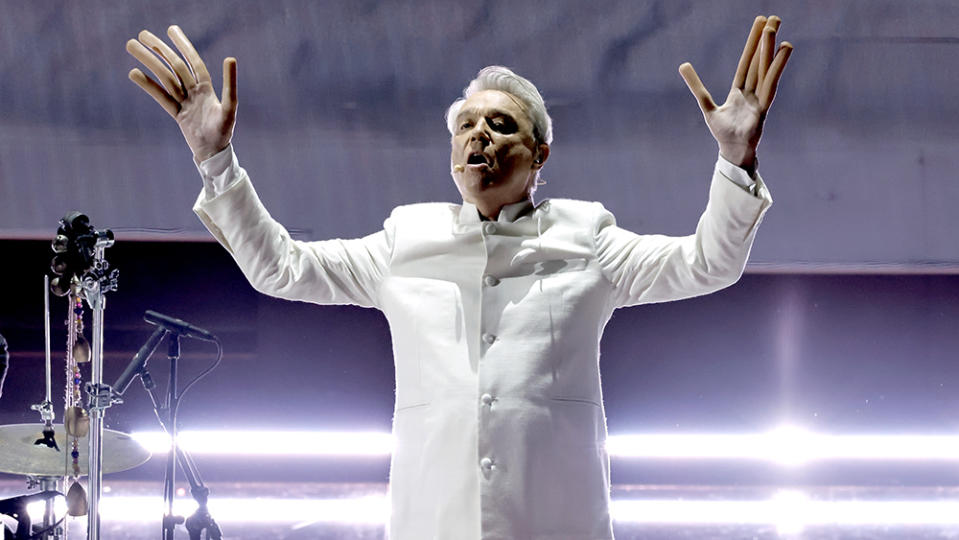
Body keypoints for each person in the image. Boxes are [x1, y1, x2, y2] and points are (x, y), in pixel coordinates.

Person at [127, 16, 791, 540]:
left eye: (501, 125)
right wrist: (215, 160)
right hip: (431, 524)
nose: (479, 136)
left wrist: (736, 160)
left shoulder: (588, 237)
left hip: (554, 525)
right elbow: (281, 268)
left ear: (538, 155)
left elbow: (708, 264)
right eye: (466, 126)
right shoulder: (404, 239)